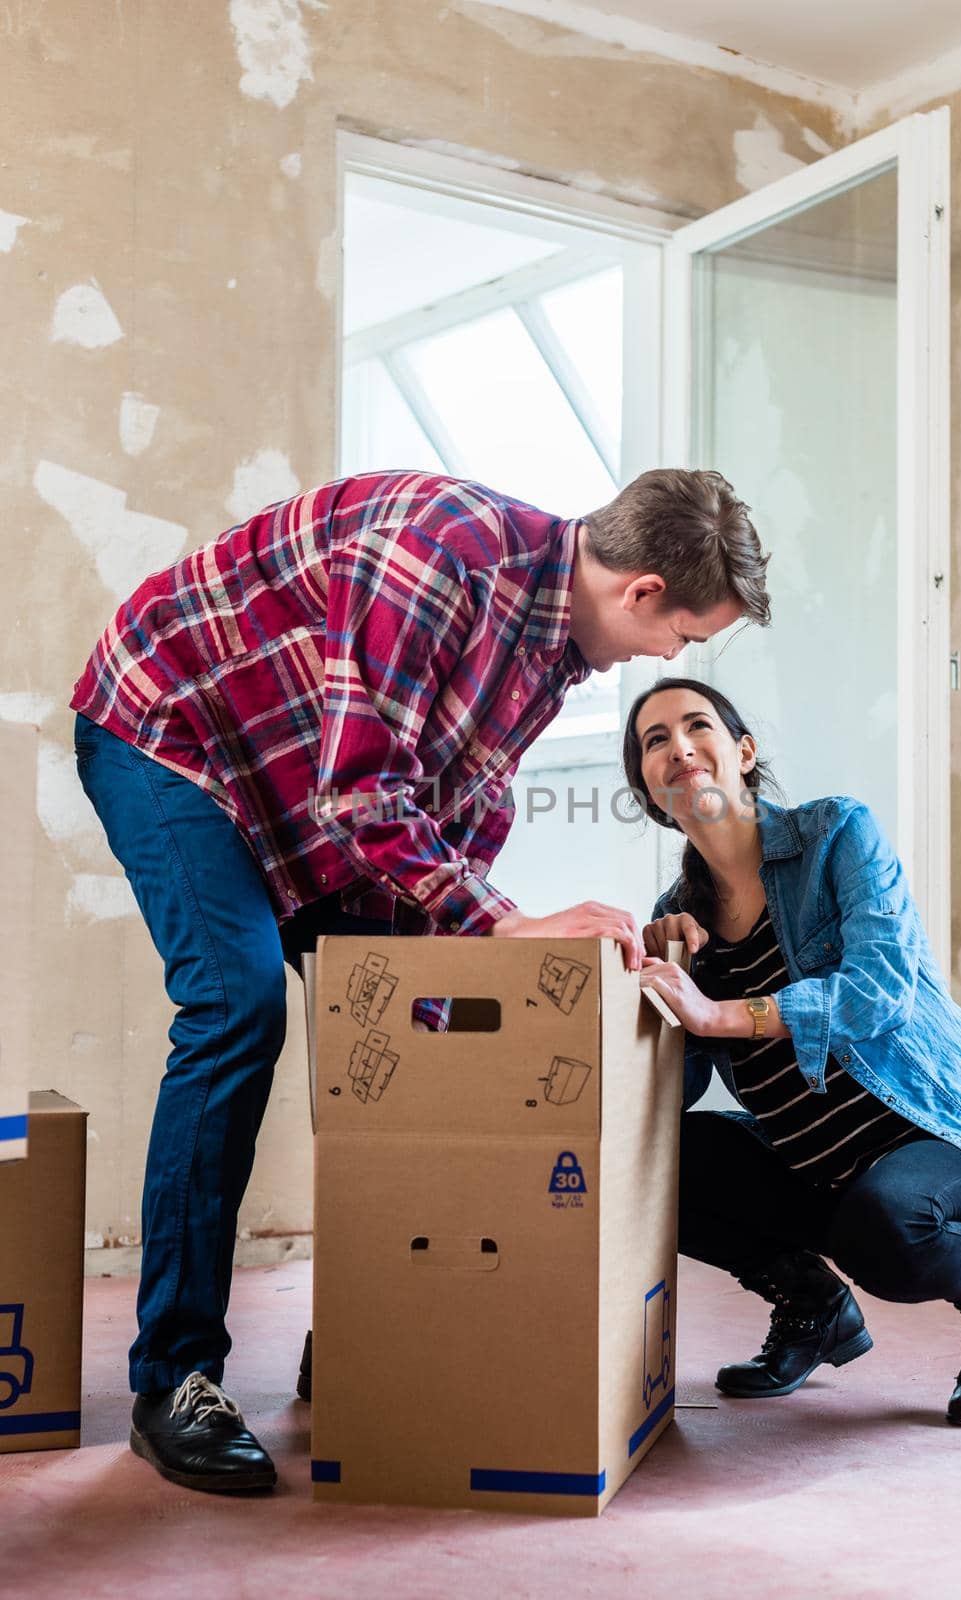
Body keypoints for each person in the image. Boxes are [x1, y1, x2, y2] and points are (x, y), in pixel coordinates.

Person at [70, 468, 770, 1492]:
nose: (672, 659)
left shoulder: (551, 642)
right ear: (643, 593)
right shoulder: (443, 556)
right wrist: (507, 923)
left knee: (414, 1015)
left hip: (294, 779)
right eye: (686, 637)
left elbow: (456, 803)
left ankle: (369, 1324)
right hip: (175, 736)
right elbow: (362, 794)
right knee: (237, 1005)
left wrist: (493, 949)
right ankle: (175, 1376)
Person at [631, 677, 961, 1429]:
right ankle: (812, 1305)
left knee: (884, 1226)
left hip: (956, 1143)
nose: (679, 747)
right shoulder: (675, 918)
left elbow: (879, 991)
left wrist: (720, 1012)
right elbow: (677, 1090)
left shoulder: (835, 837)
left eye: (697, 727)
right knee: (658, 1157)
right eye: (656, 742)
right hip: (823, 1175)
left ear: (743, 752)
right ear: (650, 790)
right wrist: (662, 993)